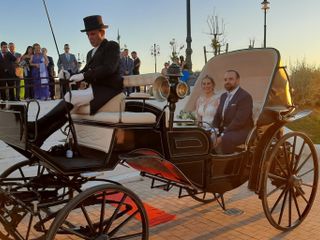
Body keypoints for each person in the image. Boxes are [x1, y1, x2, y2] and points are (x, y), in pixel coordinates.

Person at [28, 15, 123, 147]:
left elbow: (109, 68)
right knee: (69, 109)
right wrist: (69, 74)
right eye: (88, 35)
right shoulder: (91, 53)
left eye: (93, 34)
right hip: (94, 90)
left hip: (109, 89)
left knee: (71, 96)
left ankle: (37, 126)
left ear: (102, 32)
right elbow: (83, 71)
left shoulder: (112, 46)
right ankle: (40, 137)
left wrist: (84, 76)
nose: (90, 37)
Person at [213, 70, 253, 154]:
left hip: (241, 131)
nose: (227, 82)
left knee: (226, 139)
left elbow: (239, 121)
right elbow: (217, 116)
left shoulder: (245, 97)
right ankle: (210, 163)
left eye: (231, 79)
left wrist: (222, 135)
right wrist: (214, 130)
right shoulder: (223, 96)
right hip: (226, 129)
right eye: (225, 80)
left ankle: (228, 166)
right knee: (205, 136)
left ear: (238, 80)